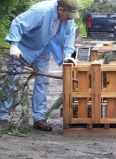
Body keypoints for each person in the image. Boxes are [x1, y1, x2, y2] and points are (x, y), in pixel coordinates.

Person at [0, 0, 79, 131]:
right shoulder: (41, 11)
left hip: (43, 48)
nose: (70, 19)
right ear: (60, 10)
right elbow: (18, 23)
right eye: (69, 15)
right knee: (12, 80)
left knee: (43, 81)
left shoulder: (68, 18)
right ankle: (2, 116)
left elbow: (69, 38)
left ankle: (39, 118)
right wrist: (14, 44)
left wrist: (67, 56)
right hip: (23, 48)